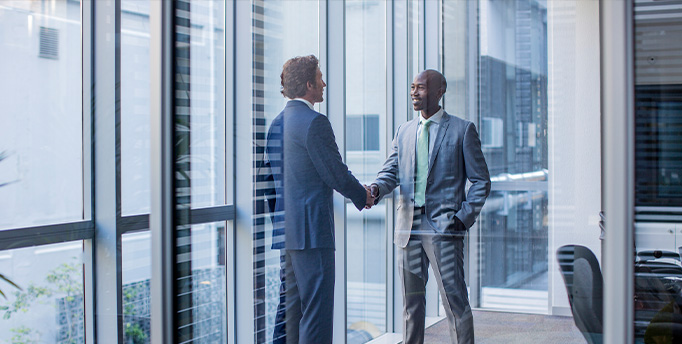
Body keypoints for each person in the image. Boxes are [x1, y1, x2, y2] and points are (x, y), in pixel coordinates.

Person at [369, 69, 491, 344]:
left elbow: (481, 181)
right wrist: (376, 190)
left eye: (421, 88)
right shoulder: (404, 131)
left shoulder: (462, 130)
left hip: (445, 229)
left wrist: (462, 219)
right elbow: (391, 172)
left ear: (440, 91)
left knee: (454, 301)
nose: (414, 92)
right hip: (407, 228)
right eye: (412, 87)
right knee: (411, 305)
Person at [265, 55, 375, 344]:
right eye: (320, 78)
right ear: (308, 84)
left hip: (287, 233)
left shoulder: (276, 124)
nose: (324, 83)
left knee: (288, 314)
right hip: (313, 235)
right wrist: (362, 195)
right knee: (316, 313)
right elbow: (335, 173)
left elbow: (268, 184)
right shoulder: (315, 122)